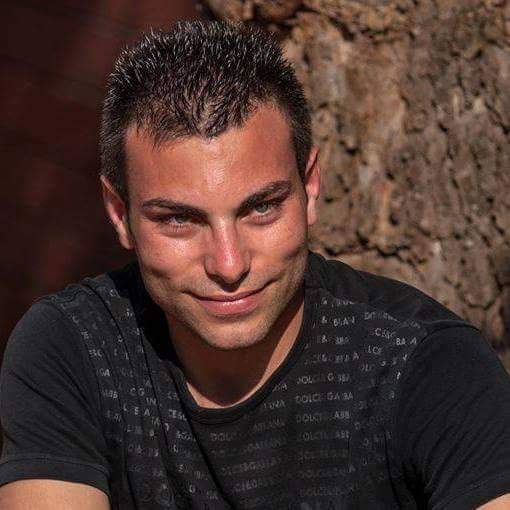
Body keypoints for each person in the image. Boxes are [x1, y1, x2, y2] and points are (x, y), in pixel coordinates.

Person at [1, 20, 510, 510]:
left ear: (310, 188)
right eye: (179, 220)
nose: (229, 265)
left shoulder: (425, 365)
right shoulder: (77, 348)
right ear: (120, 214)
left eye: (261, 208)